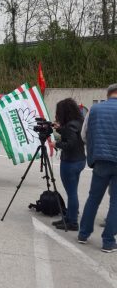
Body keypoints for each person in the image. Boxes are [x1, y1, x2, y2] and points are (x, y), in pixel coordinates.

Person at [78, 83, 117, 252]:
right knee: (115, 203)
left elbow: (84, 135)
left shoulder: (94, 109)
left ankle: (83, 234)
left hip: (101, 160)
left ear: (108, 94)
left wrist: (95, 149)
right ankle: (108, 242)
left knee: (93, 198)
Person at [48, 98, 86, 231]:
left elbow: (70, 144)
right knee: (72, 191)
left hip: (70, 162)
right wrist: (60, 129)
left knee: (71, 193)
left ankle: (72, 222)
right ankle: (69, 217)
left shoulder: (70, 125)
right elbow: (72, 136)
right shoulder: (79, 122)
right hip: (79, 159)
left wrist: (56, 144)